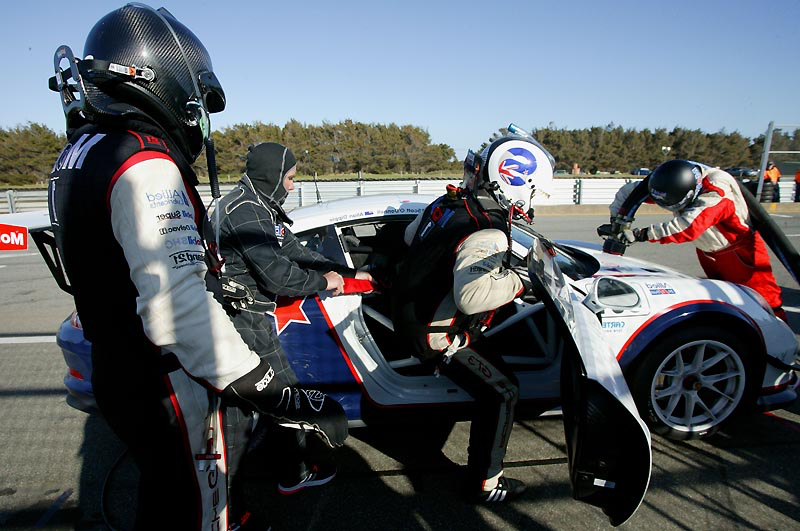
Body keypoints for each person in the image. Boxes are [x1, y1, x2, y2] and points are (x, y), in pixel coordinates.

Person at [47, 5, 346, 529]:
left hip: (117, 360)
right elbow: (176, 308)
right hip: (164, 372)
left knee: (165, 494)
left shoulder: (81, 150)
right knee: (202, 506)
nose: (195, 111)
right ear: (157, 76)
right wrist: (271, 388)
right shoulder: (143, 161)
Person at [391, 133, 555, 504]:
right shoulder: (489, 230)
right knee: (504, 392)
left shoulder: (449, 201)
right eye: (535, 191)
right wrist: (521, 279)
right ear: (516, 180)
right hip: (438, 334)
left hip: (412, 313)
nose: (534, 200)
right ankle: (486, 482)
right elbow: (471, 297)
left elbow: (409, 236)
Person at [214, 141, 373, 495]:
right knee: (282, 397)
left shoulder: (256, 204)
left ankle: (239, 488)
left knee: (248, 409)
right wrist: (324, 283)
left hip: (244, 319)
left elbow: (291, 249)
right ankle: (290, 474)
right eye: (289, 178)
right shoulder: (247, 212)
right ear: (271, 175)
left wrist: (343, 270)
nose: (292, 186)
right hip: (246, 322)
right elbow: (278, 274)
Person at [610, 159, 787, 321]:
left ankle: (783, 347)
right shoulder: (672, 180)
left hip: (740, 252)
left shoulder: (717, 190)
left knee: (765, 302)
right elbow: (629, 192)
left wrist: (642, 234)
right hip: (708, 250)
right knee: (724, 300)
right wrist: (616, 221)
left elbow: (688, 226)